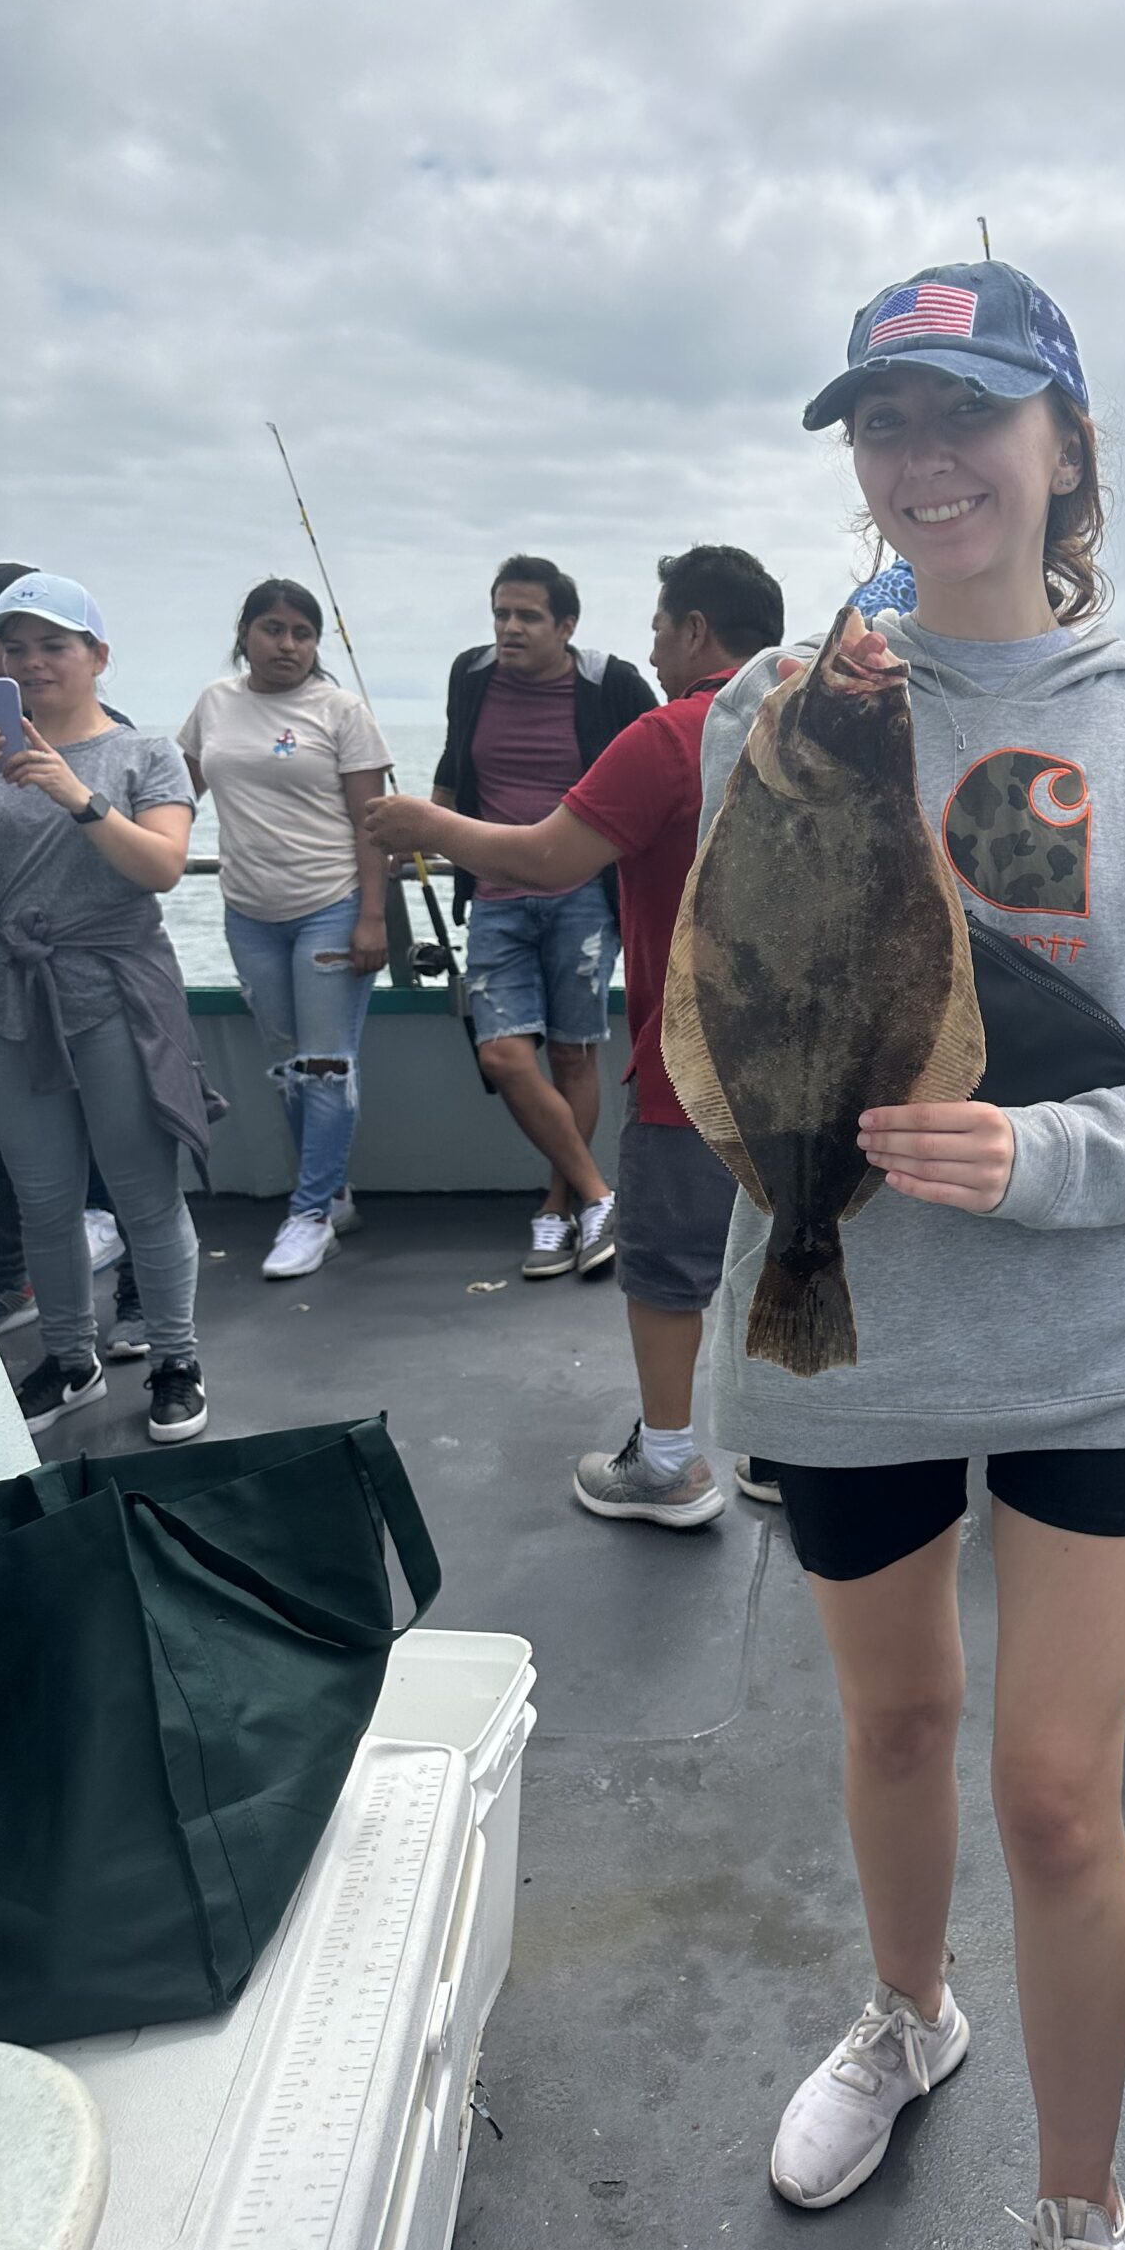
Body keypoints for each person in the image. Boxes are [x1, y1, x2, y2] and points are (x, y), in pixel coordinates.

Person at [692, 263, 1125, 2250]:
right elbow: (736, 975)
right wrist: (795, 726)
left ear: (1066, 447)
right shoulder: (768, 718)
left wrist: (1042, 1153)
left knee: (1054, 1792)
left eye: (967, 412)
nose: (923, 458)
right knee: (891, 1725)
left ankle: (1080, 2199)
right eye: (883, 422)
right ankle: (908, 2009)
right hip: (836, 1321)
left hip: (1087, 1340)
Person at [369, 545, 785, 1524]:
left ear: (693, 630)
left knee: (667, 1268)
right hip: (821, 1074)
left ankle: (671, 1466)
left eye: (656, 627)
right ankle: (788, 1452)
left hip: (698, 1069)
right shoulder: (829, 725)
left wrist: (426, 823)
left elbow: (551, 858)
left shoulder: (674, 732)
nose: (650, 645)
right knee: (788, 1255)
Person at [0, 572, 217, 1444]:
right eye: (16, 647)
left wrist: (72, 792)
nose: (35, 661)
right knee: (43, 1194)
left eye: (55, 645)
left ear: (98, 656)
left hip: (118, 992)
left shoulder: (143, 753)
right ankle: (70, 1357)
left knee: (141, 1191)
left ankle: (175, 1359)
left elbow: (162, 867)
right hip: (15, 997)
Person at [432, 556, 655, 1279]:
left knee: (571, 1053)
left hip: (581, 897)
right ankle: (597, 1192)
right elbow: (451, 768)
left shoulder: (608, 684)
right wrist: (427, 829)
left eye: (528, 616)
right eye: (501, 613)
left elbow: (654, 770)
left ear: (566, 626)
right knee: (501, 1054)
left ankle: (560, 1206)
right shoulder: (470, 677)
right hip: (494, 896)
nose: (509, 628)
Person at [178, 578, 393, 1279]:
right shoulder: (215, 704)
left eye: (303, 633)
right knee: (289, 1069)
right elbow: (173, 797)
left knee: (325, 1067)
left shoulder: (341, 711)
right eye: (273, 629)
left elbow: (375, 826)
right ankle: (331, 1193)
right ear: (245, 633)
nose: (288, 645)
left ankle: (308, 1217)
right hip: (249, 913)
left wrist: (370, 916)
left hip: (330, 905)